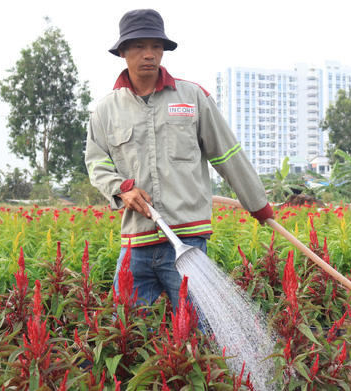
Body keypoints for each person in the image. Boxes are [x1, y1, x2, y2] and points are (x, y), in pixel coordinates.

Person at [85, 9, 273, 313]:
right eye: (139, 46)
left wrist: (257, 204)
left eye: (156, 47)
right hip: (137, 245)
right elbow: (96, 163)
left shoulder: (192, 97)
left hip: (188, 242)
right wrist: (121, 188)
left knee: (197, 330)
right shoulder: (106, 110)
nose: (149, 54)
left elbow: (227, 153)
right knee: (122, 331)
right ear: (123, 52)